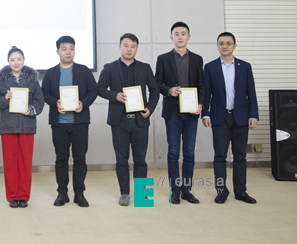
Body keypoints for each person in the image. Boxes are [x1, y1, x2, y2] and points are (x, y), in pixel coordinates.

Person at [96, 33, 159, 206]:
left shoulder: (145, 68)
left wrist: (150, 108)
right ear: (120, 47)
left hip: (140, 120)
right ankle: (124, 193)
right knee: (122, 159)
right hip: (120, 121)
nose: (129, 49)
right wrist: (114, 95)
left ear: (137, 48)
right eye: (126, 45)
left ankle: (142, 194)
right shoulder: (109, 67)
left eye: (133, 46)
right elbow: (99, 88)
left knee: (141, 160)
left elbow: (154, 90)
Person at [42, 36, 98, 207]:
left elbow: (93, 91)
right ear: (57, 51)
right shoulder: (51, 73)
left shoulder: (84, 71)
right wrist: (55, 103)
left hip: (80, 123)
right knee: (61, 159)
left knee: (80, 159)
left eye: (71, 48)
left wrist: (83, 103)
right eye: (64, 49)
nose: (68, 52)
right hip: (59, 123)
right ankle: (62, 193)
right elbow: (45, 94)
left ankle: (79, 193)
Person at [202, 32, 258, 204]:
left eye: (228, 43)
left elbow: (251, 93)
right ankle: (221, 191)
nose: (224, 46)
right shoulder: (210, 67)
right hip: (219, 118)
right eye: (221, 43)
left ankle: (240, 191)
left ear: (234, 46)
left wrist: (253, 115)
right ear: (217, 46)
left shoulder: (245, 66)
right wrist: (205, 113)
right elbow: (207, 93)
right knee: (220, 156)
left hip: (241, 117)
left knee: (240, 156)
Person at [155, 22, 205, 205]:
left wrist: (200, 104)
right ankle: (175, 190)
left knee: (189, 152)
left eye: (183, 33)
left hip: (191, 112)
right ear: (171, 37)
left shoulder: (197, 59)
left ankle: (187, 190)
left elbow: (202, 85)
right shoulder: (163, 59)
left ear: (188, 37)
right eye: (176, 34)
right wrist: (169, 90)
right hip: (173, 111)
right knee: (173, 152)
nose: (180, 37)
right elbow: (157, 83)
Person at [0, 46, 45, 208]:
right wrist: (5, 98)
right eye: (12, 60)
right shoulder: (1, 81)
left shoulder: (33, 80)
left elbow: (40, 101)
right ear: (8, 61)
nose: (16, 62)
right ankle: (12, 196)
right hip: (7, 126)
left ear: (24, 60)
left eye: (19, 59)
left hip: (27, 126)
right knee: (10, 163)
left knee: (25, 163)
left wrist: (31, 110)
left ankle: (23, 196)